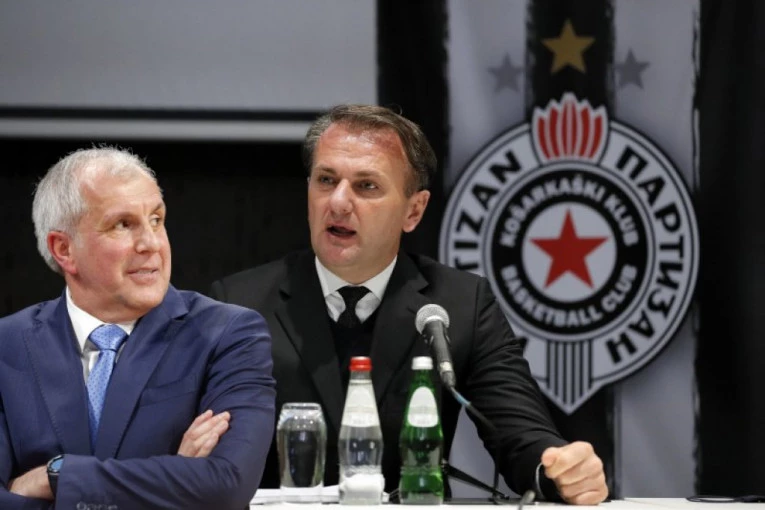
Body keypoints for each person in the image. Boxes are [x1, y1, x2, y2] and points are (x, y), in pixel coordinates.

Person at [210, 105, 608, 505]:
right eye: (326, 180)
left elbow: (521, 435)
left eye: (366, 186)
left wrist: (560, 470)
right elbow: (210, 449)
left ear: (413, 211)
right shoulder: (239, 304)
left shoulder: (460, 304)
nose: (339, 202)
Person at [0, 147, 276, 510]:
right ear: (64, 249)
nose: (151, 243)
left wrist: (57, 477)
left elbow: (226, 485)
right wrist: (174, 479)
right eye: (122, 224)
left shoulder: (228, 335)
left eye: (156, 220)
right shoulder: (7, 345)